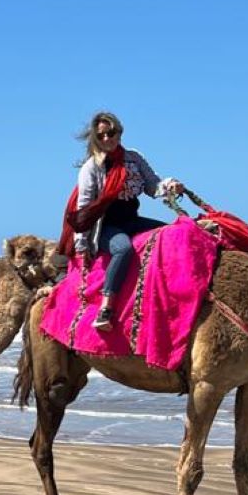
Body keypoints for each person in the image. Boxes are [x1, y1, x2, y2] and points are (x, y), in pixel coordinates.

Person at [72, 112, 183, 333]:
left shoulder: (134, 158)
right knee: (123, 249)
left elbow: (152, 185)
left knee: (173, 233)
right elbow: (84, 209)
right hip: (105, 227)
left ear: (119, 132)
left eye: (111, 133)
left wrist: (170, 186)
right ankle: (106, 308)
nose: (107, 138)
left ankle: (171, 294)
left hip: (132, 220)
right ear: (95, 138)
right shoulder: (92, 168)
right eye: (101, 135)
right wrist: (81, 245)